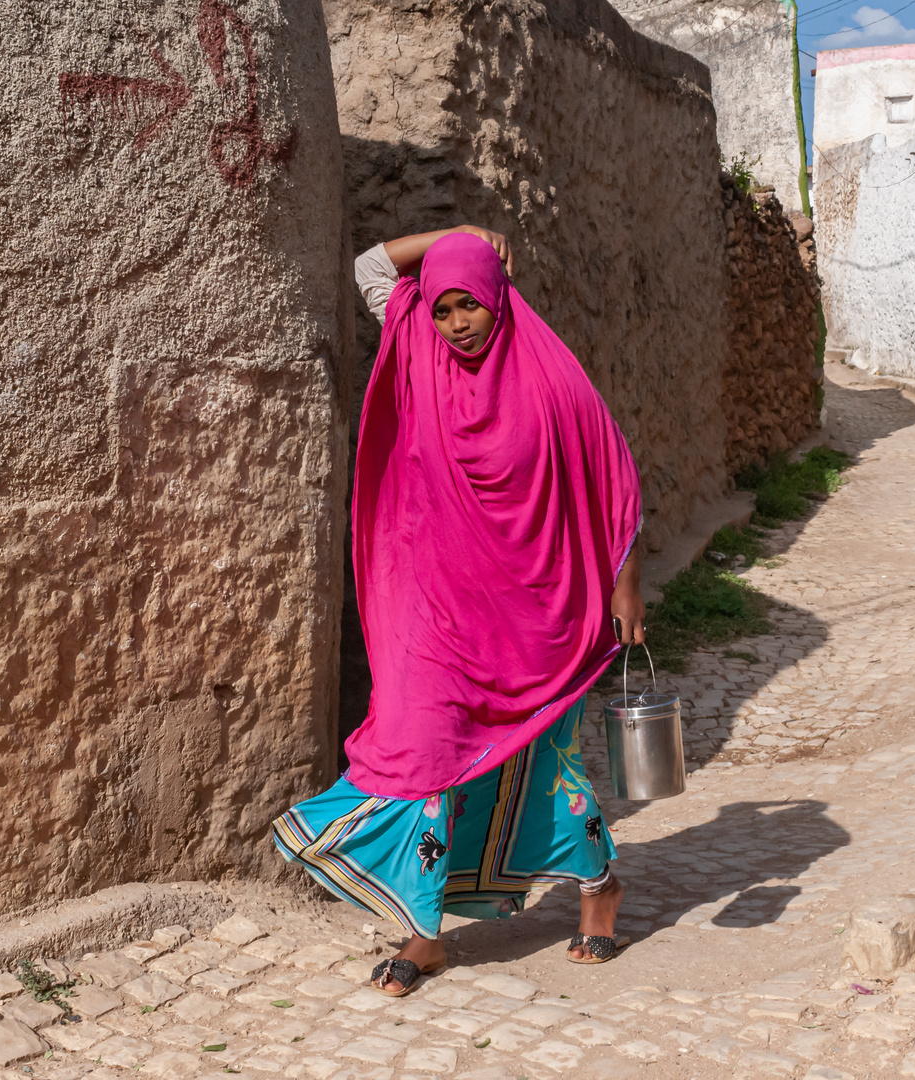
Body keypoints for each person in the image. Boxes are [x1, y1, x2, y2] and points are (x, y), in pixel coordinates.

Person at [273, 225, 645, 996]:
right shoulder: (413, 342)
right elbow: (370, 267)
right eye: (442, 309)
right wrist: (457, 234)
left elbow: (615, 477)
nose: (456, 323)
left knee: (546, 761)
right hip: (433, 612)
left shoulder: (551, 380)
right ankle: (424, 932)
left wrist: (624, 585)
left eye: (467, 304)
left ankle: (597, 884)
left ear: (497, 296)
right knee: (421, 749)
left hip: (528, 612)